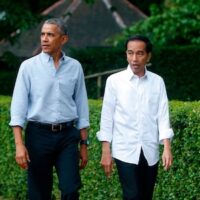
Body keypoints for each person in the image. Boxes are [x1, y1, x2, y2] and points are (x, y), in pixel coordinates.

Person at [9, 18, 90, 200]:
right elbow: (18, 109)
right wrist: (19, 145)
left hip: (67, 136)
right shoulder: (28, 67)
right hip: (38, 136)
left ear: (63, 39)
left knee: (70, 190)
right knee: (38, 194)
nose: (44, 39)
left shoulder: (75, 67)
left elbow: (82, 107)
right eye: (43, 34)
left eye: (50, 35)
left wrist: (84, 144)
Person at [97, 35, 173, 200]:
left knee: (146, 196)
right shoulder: (114, 81)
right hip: (124, 150)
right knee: (132, 196)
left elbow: (163, 115)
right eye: (130, 53)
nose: (134, 58)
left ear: (148, 56)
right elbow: (107, 117)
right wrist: (106, 150)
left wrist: (166, 147)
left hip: (150, 150)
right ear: (126, 54)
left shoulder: (157, 82)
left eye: (139, 53)